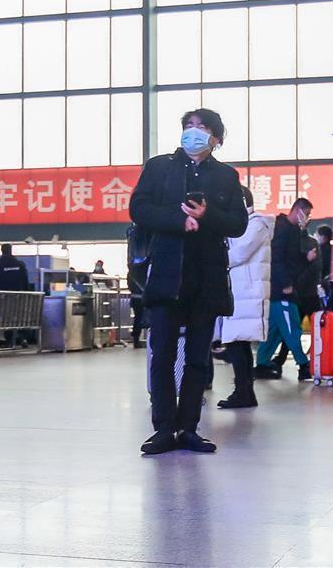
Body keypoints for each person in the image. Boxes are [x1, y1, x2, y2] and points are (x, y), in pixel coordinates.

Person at [128, 108, 247, 455]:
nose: (194, 132)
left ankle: (189, 428)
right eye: (189, 126)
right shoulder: (159, 167)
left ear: (216, 139)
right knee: (162, 356)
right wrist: (177, 220)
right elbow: (139, 209)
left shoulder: (226, 176)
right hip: (166, 276)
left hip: (206, 279)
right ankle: (164, 428)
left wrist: (207, 215)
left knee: (198, 358)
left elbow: (238, 224)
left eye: (203, 127)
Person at [215, 187, 273, 409]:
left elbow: (238, 254)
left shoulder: (256, 224)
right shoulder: (242, 224)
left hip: (247, 292)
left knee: (238, 344)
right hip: (240, 292)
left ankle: (243, 392)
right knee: (238, 344)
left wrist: (214, 257)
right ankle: (244, 392)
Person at [254, 198, 317, 381]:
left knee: (274, 330)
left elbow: (292, 260)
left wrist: (306, 259)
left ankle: (262, 364)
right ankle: (303, 365)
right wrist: (286, 283)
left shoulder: (292, 230)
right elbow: (276, 259)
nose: (307, 217)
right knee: (292, 328)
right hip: (282, 289)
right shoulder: (281, 228)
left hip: (280, 288)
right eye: (307, 213)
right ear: (298, 210)